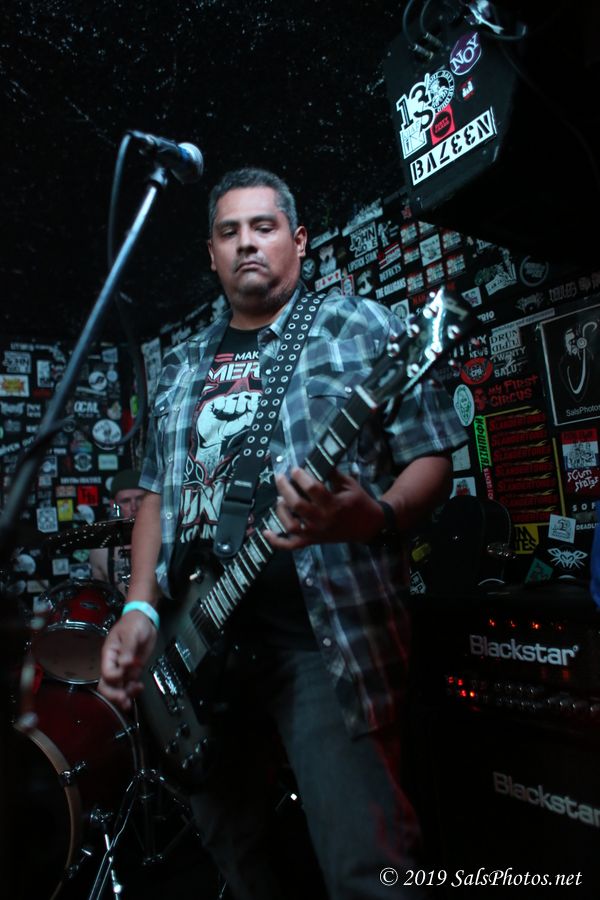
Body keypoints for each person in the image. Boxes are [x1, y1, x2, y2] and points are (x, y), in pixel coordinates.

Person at [99, 168, 467, 899]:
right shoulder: (180, 367)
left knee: (368, 868)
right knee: (235, 853)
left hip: (323, 643)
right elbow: (156, 497)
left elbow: (431, 458)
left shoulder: (365, 327)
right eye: (229, 232)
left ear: (298, 240)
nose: (247, 244)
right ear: (212, 255)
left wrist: (376, 515)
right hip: (200, 647)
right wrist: (140, 606)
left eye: (263, 227)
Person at [89, 469, 146, 597]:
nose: (134, 507)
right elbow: (100, 600)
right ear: (113, 505)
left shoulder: (165, 540)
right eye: (125, 501)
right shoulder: (100, 551)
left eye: (140, 499)